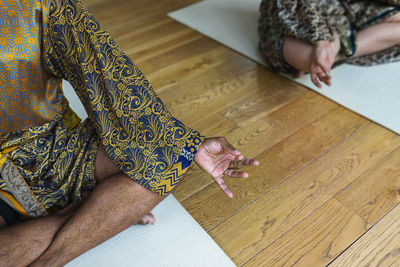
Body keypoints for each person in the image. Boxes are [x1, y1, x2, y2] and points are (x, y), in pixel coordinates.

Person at [0, 0, 259, 265]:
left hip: (54, 149)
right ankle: (88, 218)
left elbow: (112, 78)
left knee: (168, 156)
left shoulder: (36, 6)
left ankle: (51, 260)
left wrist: (186, 143)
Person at [258, 0, 400, 88]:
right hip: (297, 13)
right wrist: (321, 40)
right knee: (306, 57)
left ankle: (336, 53)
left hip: (349, 7)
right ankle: (332, 51)